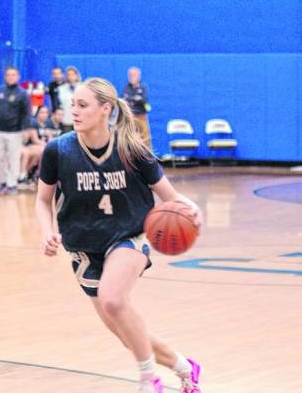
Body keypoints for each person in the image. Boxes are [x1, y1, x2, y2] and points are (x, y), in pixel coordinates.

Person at [35, 78, 203, 393]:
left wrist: (193, 210)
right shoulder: (58, 150)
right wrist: (47, 232)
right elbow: (43, 201)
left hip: (129, 236)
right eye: (73, 104)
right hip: (84, 248)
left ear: (105, 109)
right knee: (124, 331)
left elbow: (171, 197)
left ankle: (149, 380)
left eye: (83, 105)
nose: (75, 111)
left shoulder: (131, 150)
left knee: (113, 299)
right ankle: (184, 366)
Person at [0, 67, 30, 195]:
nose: (10, 77)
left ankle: (12, 184)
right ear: (5, 76)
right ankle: (3, 182)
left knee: (13, 158)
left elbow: (26, 113)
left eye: (13, 75)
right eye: (8, 75)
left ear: (18, 77)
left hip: (15, 131)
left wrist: (25, 129)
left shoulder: (22, 93)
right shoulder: (0, 90)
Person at [122, 67, 152, 149]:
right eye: (130, 75)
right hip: (130, 117)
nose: (131, 77)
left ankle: (148, 158)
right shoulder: (126, 87)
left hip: (141, 116)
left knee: (145, 140)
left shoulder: (143, 87)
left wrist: (132, 99)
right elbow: (123, 100)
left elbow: (144, 100)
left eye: (133, 75)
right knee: (129, 139)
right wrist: (135, 99)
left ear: (139, 76)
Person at [56, 66, 82, 133]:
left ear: (77, 75)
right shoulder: (61, 89)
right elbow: (58, 104)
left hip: (80, 119)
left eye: (73, 74)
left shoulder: (83, 87)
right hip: (66, 120)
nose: (70, 77)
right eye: (68, 75)